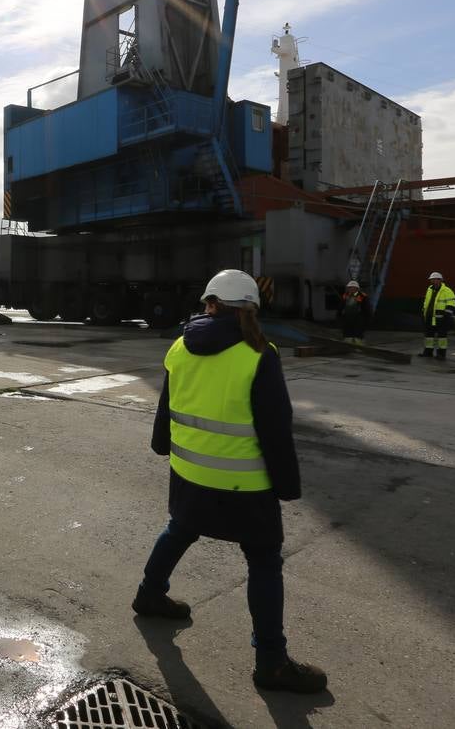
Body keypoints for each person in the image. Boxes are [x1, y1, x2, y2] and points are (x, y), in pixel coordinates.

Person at [133, 269, 327, 694]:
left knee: (180, 530)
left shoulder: (179, 347)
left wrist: (162, 446)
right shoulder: (260, 353)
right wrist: (287, 486)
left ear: (210, 303)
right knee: (263, 562)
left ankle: (149, 595)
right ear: (251, 309)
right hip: (246, 485)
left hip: (190, 475)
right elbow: (276, 430)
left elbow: (166, 411)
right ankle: (272, 662)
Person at [420, 271, 455, 360]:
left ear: (440, 280)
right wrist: (423, 312)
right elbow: (427, 302)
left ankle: (441, 354)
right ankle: (428, 352)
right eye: (431, 279)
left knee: (442, 336)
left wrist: (447, 314)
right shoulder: (429, 289)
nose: (433, 281)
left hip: (442, 318)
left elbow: (452, 302)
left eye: (435, 279)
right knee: (429, 335)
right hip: (430, 317)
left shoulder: (447, 290)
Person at [340, 280, 370, 346]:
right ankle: (348, 349)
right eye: (350, 287)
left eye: (353, 287)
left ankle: (360, 349)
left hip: (358, 319)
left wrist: (367, 320)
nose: (351, 289)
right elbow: (341, 307)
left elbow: (367, 309)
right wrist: (340, 318)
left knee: (358, 336)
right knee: (347, 336)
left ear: (357, 288)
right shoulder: (345, 296)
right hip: (347, 319)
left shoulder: (362, 296)